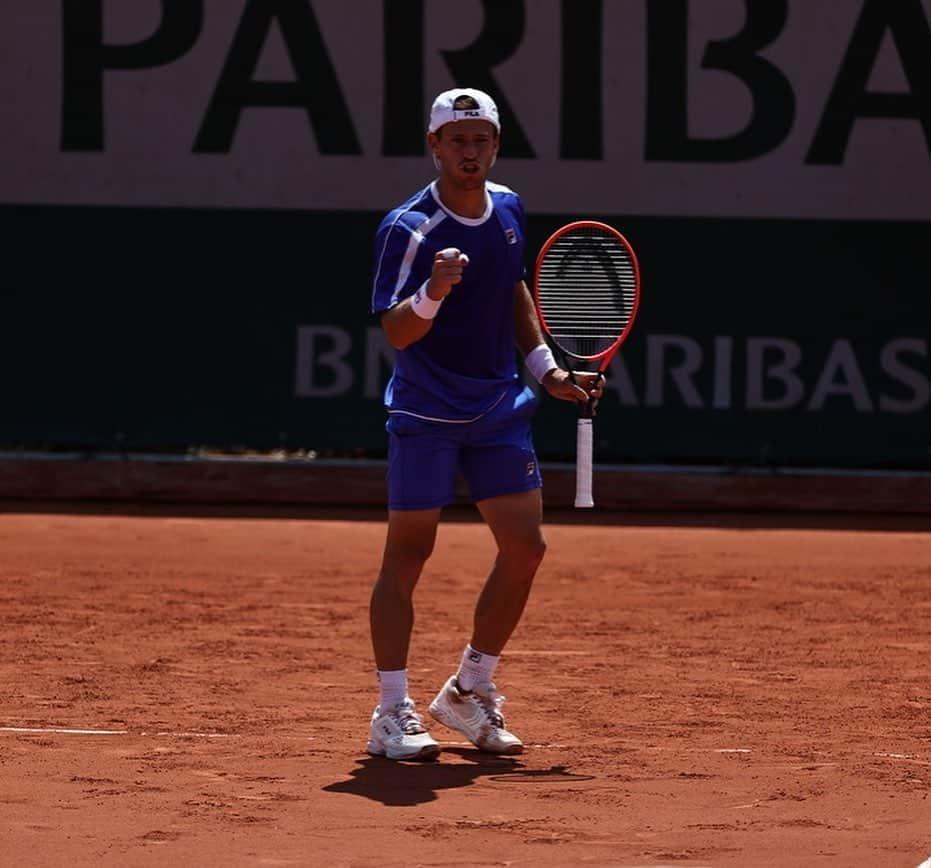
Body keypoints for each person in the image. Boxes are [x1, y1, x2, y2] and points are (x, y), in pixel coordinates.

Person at [366, 87, 603, 761]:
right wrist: (434, 290)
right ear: (434, 146)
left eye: (481, 140)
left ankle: (468, 691)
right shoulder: (406, 228)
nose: (469, 152)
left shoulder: (507, 210)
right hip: (425, 412)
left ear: (494, 146)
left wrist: (548, 371)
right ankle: (390, 711)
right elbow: (397, 331)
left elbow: (513, 292)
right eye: (456, 140)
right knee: (408, 556)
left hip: (500, 409)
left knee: (525, 550)